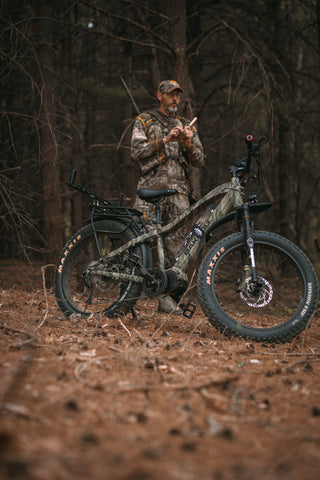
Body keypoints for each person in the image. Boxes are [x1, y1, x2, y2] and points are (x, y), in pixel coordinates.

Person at [131, 80, 205, 313]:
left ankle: (169, 299)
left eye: (178, 96)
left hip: (179, 194)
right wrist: (165, 140)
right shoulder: (145, 119)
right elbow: (137, 152)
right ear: (159, 96)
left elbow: (200, 160)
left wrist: (188, 142)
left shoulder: (185, 124)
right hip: (150, 192)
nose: (175, 99)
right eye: (170, 95)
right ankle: (131, 296)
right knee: (145, 243)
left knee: (178, 249)